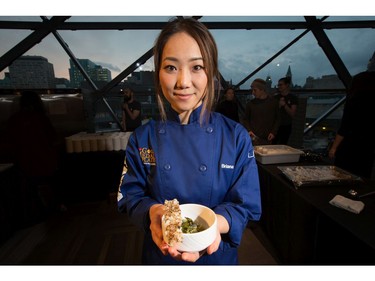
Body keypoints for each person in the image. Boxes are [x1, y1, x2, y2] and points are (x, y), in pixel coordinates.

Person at [117, 17, 261, 265]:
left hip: (217, 259)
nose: (183, 82)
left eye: (197, 67)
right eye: (171, 67)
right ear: (158, 73)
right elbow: (129, 195)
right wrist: (153, 212)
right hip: (161, 257)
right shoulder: (142, 139)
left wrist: (215, 226)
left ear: (212, 73)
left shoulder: (235, 137)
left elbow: (245, 205)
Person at [5, 91, 64, 222]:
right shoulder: (41, 119)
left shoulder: (14, 120)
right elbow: (53, 139)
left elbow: (9, 143)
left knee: (30, 190)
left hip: (25, 165)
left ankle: (35, 214)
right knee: (52, 184)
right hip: (46, 162)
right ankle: (54, 209)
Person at [328, 54, 375, 179]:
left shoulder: (358, 91)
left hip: (350, 145)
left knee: (342, 176)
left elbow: (346, 125)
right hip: (368, 146)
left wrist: (334, 148)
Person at [243, 78, 280, 145]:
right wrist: (249, 130)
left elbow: (277, 119)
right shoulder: (250, 104)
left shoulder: (273, 103)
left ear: (262, 90)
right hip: (253, 139)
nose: (253, 93)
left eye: (255, 90)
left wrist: (273, 132)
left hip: (268, 138)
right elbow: (246, 119)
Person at [273, 76, 298, 145]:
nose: (279, 86)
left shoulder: (293, 98)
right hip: (275, 126)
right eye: (278, 85)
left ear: (287, 85)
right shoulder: (275, 97)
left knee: (283, 145)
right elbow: (272, 112)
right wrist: (279, 106)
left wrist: (284, 105)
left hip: (286, 126)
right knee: (272, 144)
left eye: (281, 85)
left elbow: (293, 114)